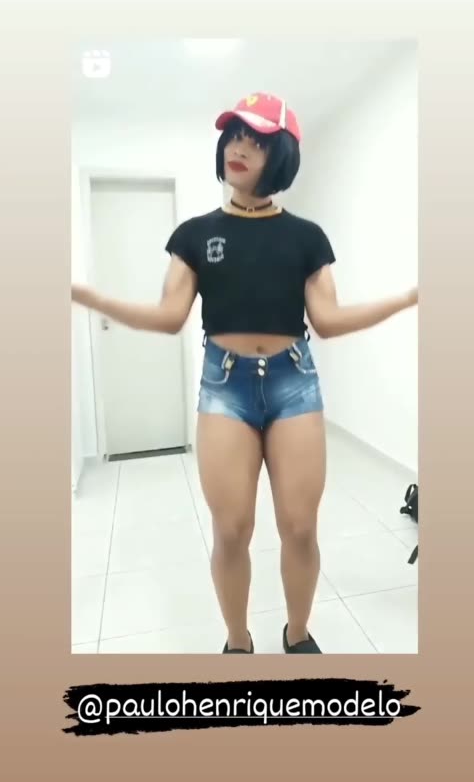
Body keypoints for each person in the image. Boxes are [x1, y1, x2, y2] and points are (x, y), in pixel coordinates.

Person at [72, 92, 418, 654]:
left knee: (300, 527)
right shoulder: (193, 234)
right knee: (232, 530)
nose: (239, 147)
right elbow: (168, 316)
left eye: (256, 140)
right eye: (233, 136)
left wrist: (407, 298)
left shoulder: (306, 237)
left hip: (293, 382)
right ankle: (238, 642)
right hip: (224, 387)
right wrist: (89, 297)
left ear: (279, 154)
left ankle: (297, 634)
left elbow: (327, 320)